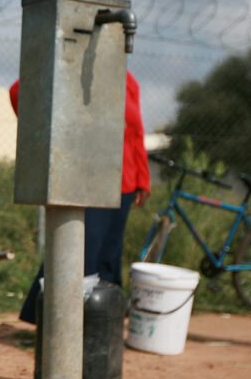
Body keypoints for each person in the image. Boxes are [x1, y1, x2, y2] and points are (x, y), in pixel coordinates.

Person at [12, 71, 151, 324]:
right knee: (82, 250)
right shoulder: (75, 67)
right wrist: (44, 132)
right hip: (87, 179)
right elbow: (20, 90)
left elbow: (136, 133)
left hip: (124, 181)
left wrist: (143, 179)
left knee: (110, 254)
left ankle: (101, 326)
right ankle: (53, 323)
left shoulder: (128, 80)